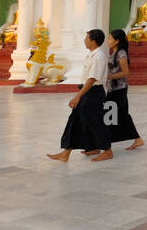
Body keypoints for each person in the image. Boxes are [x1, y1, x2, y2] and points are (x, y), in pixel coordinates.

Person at [47, 29, 113, 163]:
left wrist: (78, 96)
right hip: (87, 91)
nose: (84, 40)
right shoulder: (91, 55)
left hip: (93, 92)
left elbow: (92, 79)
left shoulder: (98, 56)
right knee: (76, 120)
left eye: (87, 38)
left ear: (93, 41)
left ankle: (107, 151)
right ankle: (70, 151)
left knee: (97, 122)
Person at [104, 28, 143, 150]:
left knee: (118, 114)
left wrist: (109, 76)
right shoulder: (114, 52)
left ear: (117, 41)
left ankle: (106, 142)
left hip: (119, 89)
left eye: (110, 38)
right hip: (112, 88)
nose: (108, 40)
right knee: (114, 115)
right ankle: (135, 139)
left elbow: (126, 72)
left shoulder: (121, 53)